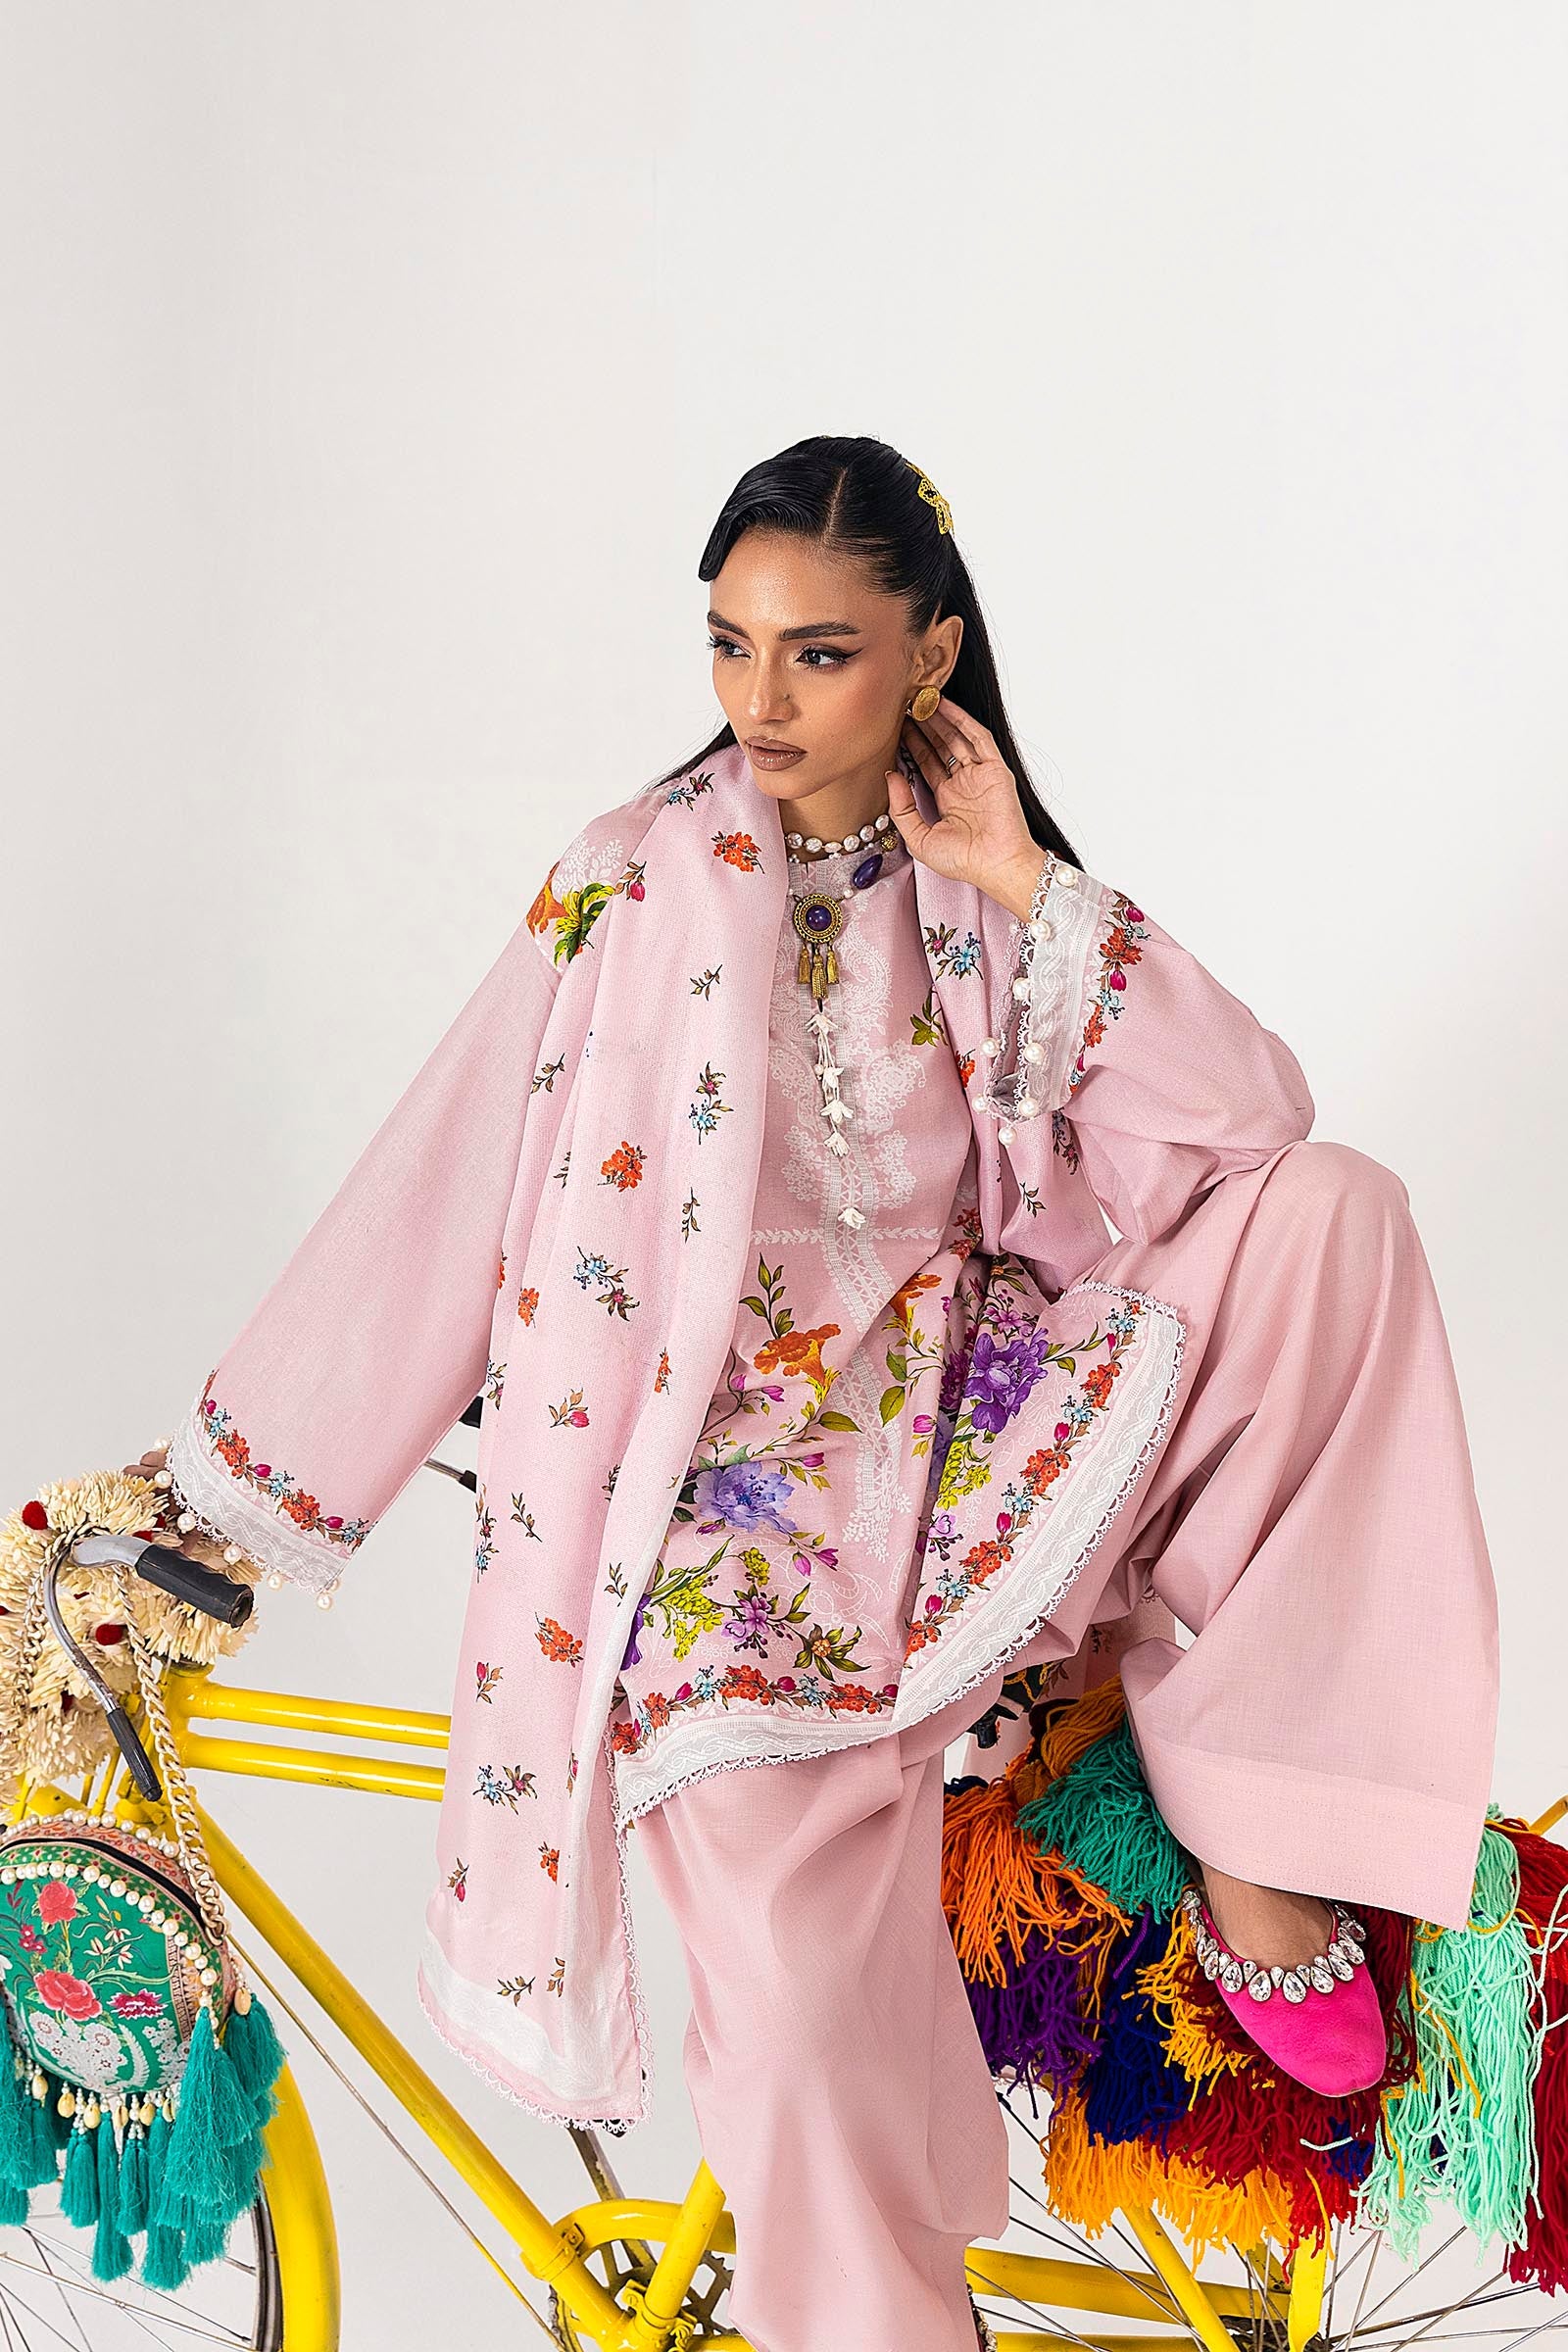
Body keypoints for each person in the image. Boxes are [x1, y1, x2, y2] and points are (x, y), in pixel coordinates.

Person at [127, 436, 1498, 2352]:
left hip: (970, 1442)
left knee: (1334, 1212)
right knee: (799, 2023)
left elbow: (1248, 1123)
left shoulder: (977, 887)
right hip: (723, 1530)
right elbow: (439, 1185)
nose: (758, 700)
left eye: (818, 652)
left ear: (929, 652)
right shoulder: (629, 884)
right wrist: (223, 1497)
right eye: (728, 645)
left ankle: (1270, 1858)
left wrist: (1019, 874)